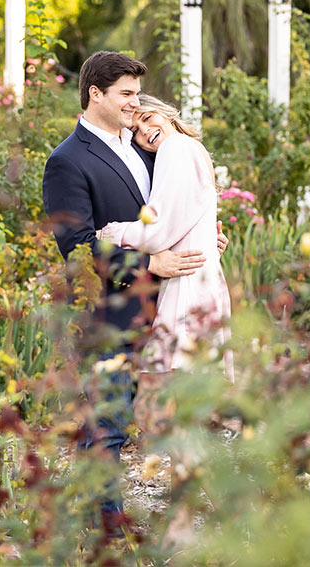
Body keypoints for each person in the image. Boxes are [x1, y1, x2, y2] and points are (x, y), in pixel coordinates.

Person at [41, 52, 227, 520]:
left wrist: (201, 234)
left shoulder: (147, 144)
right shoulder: (66, 161)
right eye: (125, 94)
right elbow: (78, 247)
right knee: (108, 426)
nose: (134, 103)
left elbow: (170, 209)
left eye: (136, 94)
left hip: (165, 306)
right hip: (114, 311)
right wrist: (151, 264)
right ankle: (104, 528)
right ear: (94, 94)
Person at [97, 94, 233, 434]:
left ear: (165, 112)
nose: (145, 129)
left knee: (166, 408)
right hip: (199, 278)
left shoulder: (175, 149)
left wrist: (111, 232)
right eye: (137, 128)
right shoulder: (191, 149)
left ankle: (188, 479)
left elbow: (157, 232)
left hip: (185, 286)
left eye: (147, 117)